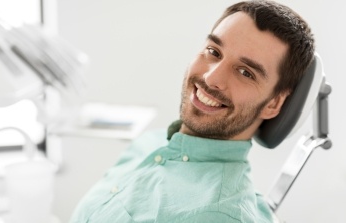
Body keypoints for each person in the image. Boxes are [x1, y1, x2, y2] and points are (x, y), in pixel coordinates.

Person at [70, 0, 314, 222]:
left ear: (273, 104)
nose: (211, 77)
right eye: (214, 52)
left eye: (245, 73)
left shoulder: (219, 215)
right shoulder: (149, 144)